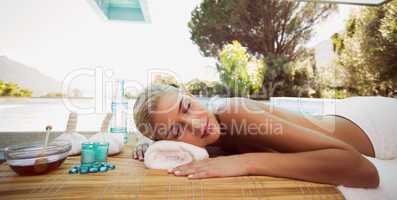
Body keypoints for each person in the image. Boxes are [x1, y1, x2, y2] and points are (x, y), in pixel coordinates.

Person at [132, 84, 397, 189]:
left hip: (377, 125)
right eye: (177, 131)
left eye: (187, 107)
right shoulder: (210, 143)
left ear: (189, 94)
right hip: (347, 114)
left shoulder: (233, 112)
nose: (195, 123)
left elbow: (363, 171)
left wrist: (245, 162)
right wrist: (155, 150)